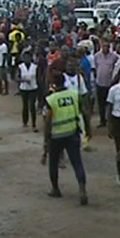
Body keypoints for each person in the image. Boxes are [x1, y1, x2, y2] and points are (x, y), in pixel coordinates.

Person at [44, 73, 88, 205]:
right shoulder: (74, 95)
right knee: (77, 162)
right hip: (72, 132)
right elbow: (84, 112)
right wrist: (88, 130)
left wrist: (46, 139)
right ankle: (82, 188)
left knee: (53, 162)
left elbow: (47, 121)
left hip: (57, 135)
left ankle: (55, 189)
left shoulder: (51, 99)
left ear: (53, 84)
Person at [18, 51, 39, 132]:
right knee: (25, 106)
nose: (27, 59)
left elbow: (38, 77)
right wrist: (24, 80)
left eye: (28, 57)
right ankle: (25, 122)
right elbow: (17, 78)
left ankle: (34, 124)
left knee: (32, 106)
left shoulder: (35, 67)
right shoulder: (20, 67)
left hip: (33, 88)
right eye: (25, 57)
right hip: (24, 88)